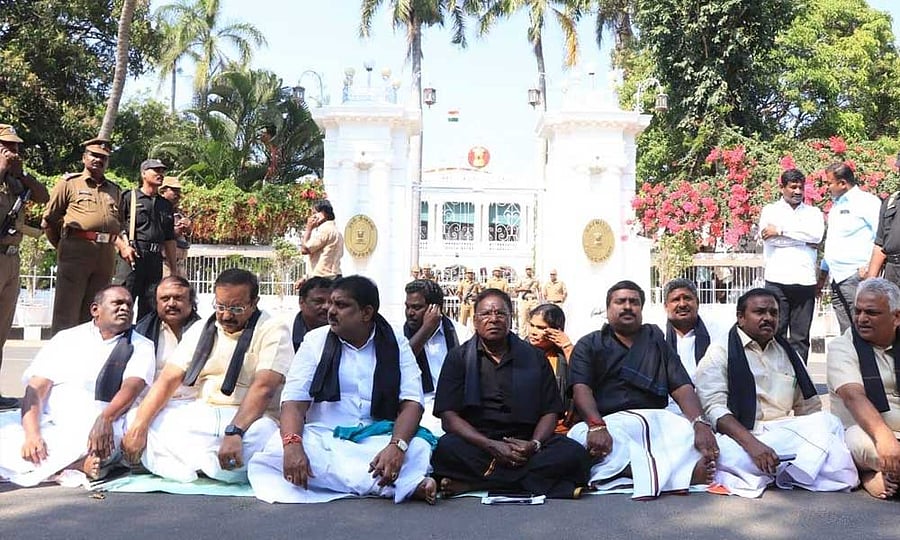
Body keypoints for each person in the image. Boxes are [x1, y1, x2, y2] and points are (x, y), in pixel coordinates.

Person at [248, 276, 436, 504]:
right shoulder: (314, 341)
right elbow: (294, 403)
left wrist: (396, 446)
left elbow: (412, 402)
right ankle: (395, 485)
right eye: (330, 303)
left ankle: (386, 480)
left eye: (341, 305)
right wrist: (293, 446)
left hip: (379, 437)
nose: (330, 311)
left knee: (416, 447)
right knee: (276, 450)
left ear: (366, 313)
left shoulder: (395, 342)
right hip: (325, 438)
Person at [121, 269, 293, 484]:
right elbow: (168, 379)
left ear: (254, 302)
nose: (227, 315)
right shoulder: (204, 327)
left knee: (265, 437)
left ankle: (193, 463)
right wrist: (140, 426)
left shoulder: (273, 328)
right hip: (205, 412)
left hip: (249, 419)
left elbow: (264, 388)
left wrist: (235, 432)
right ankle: (212, 466)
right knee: (136, 417)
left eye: (236, 308)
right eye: (220, 307)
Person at [694, 288, 857, 498]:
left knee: (828, 424)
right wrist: (753, 445)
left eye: (773, 313)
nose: (768, 318)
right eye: (760, 312)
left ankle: (776, 470)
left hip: (783, 433)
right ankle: (791, 470)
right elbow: (714, 408)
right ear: (740, 317)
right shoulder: (720, 351)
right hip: (742, 436)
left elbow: (808, 407)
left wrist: (816, 437)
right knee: (728, 455)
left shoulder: (787, 352)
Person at [430, 289, 590, 499]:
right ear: (475, 321)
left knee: (574, 455)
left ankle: (475, 484)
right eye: (486, 314)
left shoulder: (534, 357)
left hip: (527, 442)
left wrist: (534, 445)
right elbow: (449, 418)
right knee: (446, 449)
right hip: (479, 443)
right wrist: (491, 446)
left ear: (511, 318)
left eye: (500, 314)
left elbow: (550, 411)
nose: (493, 319)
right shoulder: (458, 358)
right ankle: (536, 484)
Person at [567, 280, 718, 500]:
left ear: (641, 309)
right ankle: (678, 475)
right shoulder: (590, 344)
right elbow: (581, 388)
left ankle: (640, 473)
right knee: (577, 437)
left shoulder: (656, 341)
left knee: (691, 434)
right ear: (608, 309)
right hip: (609, 424)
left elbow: (681, 386)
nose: (628, 306)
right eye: (620, 302)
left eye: (634, 302)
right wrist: (596, 425)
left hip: (655, 421)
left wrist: (700, 423)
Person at [0, 286, 155, 486]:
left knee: (91, 442)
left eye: (128, 304)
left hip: (100, 423)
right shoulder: (66, 339)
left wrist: (105, 419)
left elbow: (132, 387)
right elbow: (36, 388)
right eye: (117, 303)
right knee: (10, 432)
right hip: (49, 420)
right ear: (95, 310)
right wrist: (32, 434)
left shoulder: (140, 345)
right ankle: (74, 466)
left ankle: (71, 464)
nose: (125, 308)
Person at [43, 138, 129, 335]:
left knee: (96, 310)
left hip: (105, 255)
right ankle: (61, 360)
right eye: (94, 155)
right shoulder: (69, 184)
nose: (98, 160)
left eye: (103, 157)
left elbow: (119, 224)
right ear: (84, 158)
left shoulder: (114, 190)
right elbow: (49, 220)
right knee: (67, 310)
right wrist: (63, 245)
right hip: (76, 250)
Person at [827, 277, 900, 499]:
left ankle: (875, 477)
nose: (861, 319)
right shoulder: (843, 346)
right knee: (860, 442)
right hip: (867, 432)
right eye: (858, 311)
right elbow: (853, 396)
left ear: (896, 317)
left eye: (871, 313)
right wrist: (885, 438)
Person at [0, 123, 49, 410]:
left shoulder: (16, 183)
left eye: (16, 147)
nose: (13, 152)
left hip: (11, 258)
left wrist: (21, 174)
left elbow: (43, 197)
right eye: (7, 146)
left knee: (2, 330)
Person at [758, 168, 824, 361]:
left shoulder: (813, 212)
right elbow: (769, 240)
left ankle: (799, 382)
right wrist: (803, 240)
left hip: (804, 281)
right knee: (775, 332)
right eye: (792, 187)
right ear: (782, 188)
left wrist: (780, 230)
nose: (797, 191)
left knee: (801, 337)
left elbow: (816, 236)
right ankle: (775, 379)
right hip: (777, 280)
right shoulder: (770, 210)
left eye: (800, 187)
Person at [400, 279, 471, 435]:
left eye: (416, 307)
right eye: (407, 307)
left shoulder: (460, 333)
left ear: (435, 308)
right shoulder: (399, 335)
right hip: (416, 407)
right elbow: (400, 363)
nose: (410, 313)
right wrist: (426, 330)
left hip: (455, 408)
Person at [819, 162, 881, 333]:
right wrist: (823, 274)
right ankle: (852, 360)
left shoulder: (867, 202)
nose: (827, 187)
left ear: (842, 183)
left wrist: (870, 270)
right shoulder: (836, 205)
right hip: (836, 277)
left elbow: (881, 237)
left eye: (829, 183)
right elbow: (832, 242)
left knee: (864, 330)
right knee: (847, 334)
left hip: (856, 277)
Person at [114, 159, 177, 321]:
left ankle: (145, 341)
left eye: (162, 171)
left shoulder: (165, 205)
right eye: (155, 171)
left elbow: (169, 239)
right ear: (143, 174)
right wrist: (123, 247)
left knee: (150, 308)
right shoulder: (129, 197)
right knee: (123, 301)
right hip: (133, 257)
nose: (160, 174)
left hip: (155, 260)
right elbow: (114, 227)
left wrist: (173, 269)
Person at [134, 276, 201, 376]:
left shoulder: (204, 332)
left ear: (191, 302)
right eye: (165, 299)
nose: (171, 304)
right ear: (156, 303)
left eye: (178, 298)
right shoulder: (141, 332)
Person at [527, 303, 576, 433]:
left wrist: (567, 347)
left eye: (541, 328)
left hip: (562, 428)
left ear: (557, 331)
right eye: (531, 325)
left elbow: (582, 379)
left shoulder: (565, 355)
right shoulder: (519, 351)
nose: (533, 332)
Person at [159, 176, 192, 278]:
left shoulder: (179, 213)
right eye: (174, 190)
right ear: (162, 191)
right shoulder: (156, 211)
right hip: (164, 264)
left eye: (179, 191)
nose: (177, 195)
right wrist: (174, 232)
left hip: (180, 264)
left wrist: (188, 229)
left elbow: (187, 239)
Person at [300, 200, 343, 279]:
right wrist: (305, 278)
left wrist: (308, 228)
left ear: (323, 213)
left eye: (314, 213)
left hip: (323, 279)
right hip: (335, 276)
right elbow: (320, 258)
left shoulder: (324, 230)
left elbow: (304, 250)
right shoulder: (336, 231)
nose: (312, 217)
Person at [291, 276, 332, 352]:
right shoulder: (286, 333)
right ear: (301, 301)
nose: (326, 307)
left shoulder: (346, 334)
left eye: (331, 302)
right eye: (319, 301)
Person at [514, 266, 541, 337]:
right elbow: (515, 289)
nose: (528, 271)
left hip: (533, 300)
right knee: (523, 320)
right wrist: (523, 289)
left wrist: (540, 300)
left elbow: (540, 290)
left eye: (530, 269)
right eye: (527, 269)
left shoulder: (535, 279)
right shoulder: (522, 279)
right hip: (525, 300)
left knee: (534, 319)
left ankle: (532, 335)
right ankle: (523, 337)